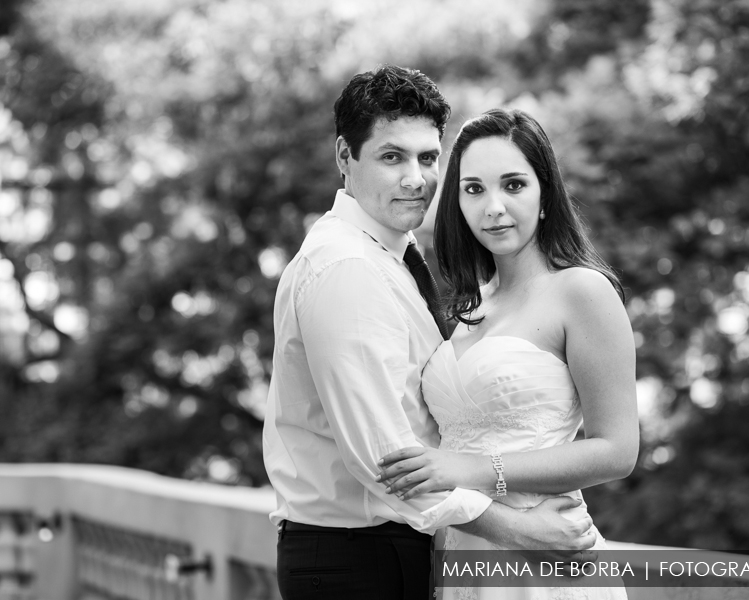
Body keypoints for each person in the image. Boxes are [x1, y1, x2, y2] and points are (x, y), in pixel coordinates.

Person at [263, 68, 598, 600]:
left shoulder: (394, 258)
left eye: (427, 157)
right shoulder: (346, 266)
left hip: (407, 550)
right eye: (391, 157)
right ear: (345, 157)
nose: (415, 179)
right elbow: (384, 456)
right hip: (358, 559)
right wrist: (516, 529)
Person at [376, 108, 639, 599]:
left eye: (513, 185)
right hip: (461, 560)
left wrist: (473, 469)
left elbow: (619, 450)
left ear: (544, 196)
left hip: (548, 567)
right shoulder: (468, 311)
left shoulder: (581, 291)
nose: (493, 207)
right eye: (474, 189)